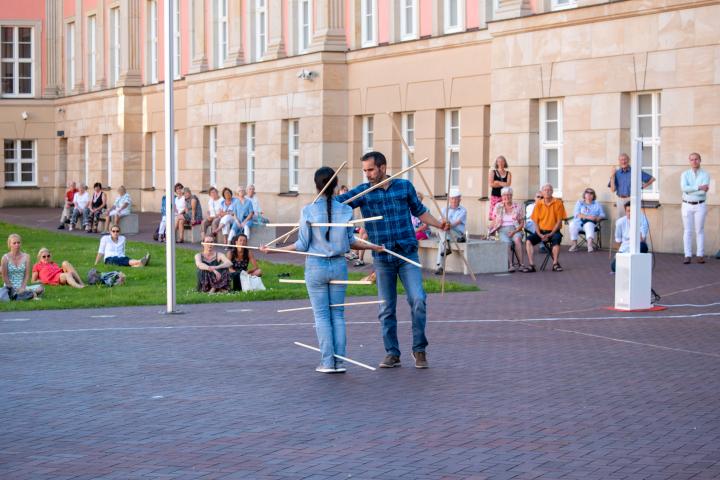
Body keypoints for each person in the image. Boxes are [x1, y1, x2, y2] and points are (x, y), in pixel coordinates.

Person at [263, 166, 382, 373]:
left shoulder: (308, 210)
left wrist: (273, 250)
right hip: (338, 266)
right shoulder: (345, 210)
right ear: (335, 185)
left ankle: (328, 362)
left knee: (322, 316)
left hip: (316, 267)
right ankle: (339, 363)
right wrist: (372, 246)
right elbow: (350, 241)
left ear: (317, 185)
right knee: (337, 315)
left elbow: (301, 245)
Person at [337, 151, 449, 369]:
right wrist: (322, 202)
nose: (367, 174)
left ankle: (419, 350)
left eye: (370, 169)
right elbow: (338, 204)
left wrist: (438, 224)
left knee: (418, 300)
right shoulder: (363, 191)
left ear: (382, 167)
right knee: (386, 308)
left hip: (407, 253)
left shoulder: (404, 186)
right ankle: (392, 353)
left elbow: (420, 211)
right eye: (365, 170)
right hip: (382, 256)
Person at [522, 183, 567, 273]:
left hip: (554, 231)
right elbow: (535, 221)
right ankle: (531, 265)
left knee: (556, 240)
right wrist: (539, 234)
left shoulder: (558, 203)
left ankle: (555, 264)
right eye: (545, 190)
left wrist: (551, 233)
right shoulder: (538, 204)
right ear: (542, 192)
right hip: (541, 232)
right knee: (528, 241)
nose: (547, 192)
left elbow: (559, 221)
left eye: (549, 190)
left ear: (552, 191)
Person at [680, 152, 710, 264]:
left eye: (696, 159)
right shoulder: (684, 174)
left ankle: (700, 255)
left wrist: (691, 190)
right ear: (689, 161)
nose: (694, 161)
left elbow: (703, 192)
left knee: (699, 230)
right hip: (686, 205)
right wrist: (698, 187)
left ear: (700, 160)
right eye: (692, 159)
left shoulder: (705, 174)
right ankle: (687, 255)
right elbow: (684, 188)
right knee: (687, 231)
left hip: (700, 205)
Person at [608, 153, 655, 218]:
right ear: (619, 161)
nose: (623, 162)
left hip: (631, 199)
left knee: (632, 219)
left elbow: (652, 179)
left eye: (625, 159)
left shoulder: (635, 171)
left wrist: (641, 187)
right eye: (621, 160)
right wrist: (612, 176)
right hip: (620, 199)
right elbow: (613, 190)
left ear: (628, 160)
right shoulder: (617, 173)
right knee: (621, 219)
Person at [490, 187, 525, 272]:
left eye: (509, 195)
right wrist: (490, 231)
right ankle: (510, 265)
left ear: (512, 196)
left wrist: (514, 231)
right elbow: (494, 220)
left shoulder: (518, 206)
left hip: (515, 229)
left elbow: (522, 223)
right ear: (502, 196)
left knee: (517, 240)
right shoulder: (498, 206)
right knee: (507, 243)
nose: (507, 197)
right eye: (505, 195)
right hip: (502, 230)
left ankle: (521, 264)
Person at [434, 189, 467, 275]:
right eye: (452, 198)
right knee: (442, 233)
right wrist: (444, 224)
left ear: (460, 199)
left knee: (442, 240)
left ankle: (439, 266)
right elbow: (440, 222)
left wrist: (448, 225)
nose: (454, 200)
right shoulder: (444, 209)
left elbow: (457, 222)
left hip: (457, 234)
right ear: (449, 199)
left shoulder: (463, 210)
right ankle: (446, 246)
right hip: (445, 232)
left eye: (456, 198)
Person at [1, 234, 44, 299]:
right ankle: (28, 295)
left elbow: (27, 275)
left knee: (41, 288)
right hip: (9, 287)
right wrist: (12, 288)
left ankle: (22, 295)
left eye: (18, 243)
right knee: (4, 294)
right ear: (10, 244)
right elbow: (5, 276)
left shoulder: (26, 257)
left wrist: (22, 288)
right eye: (14, 243)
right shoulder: (5, 258)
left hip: (22, 287)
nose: (17, 245)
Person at [611, 201, 649, 272]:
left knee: (643, 247)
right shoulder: (620, 222)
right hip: (625, 249)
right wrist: (618, 254)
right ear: (625, 212)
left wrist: (635, 222)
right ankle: (628, 264)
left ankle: (630, 264)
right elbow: (618, 240)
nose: (630, 213)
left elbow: (641, 239)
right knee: (614, 267)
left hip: (637, 246)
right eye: (628, 211)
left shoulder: (643, 219)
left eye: (632, 211)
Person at [568, 188, 605, 253]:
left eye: (591, 193)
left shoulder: (597, 204)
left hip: (590, 224)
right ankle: (574, 245)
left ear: (593, 195)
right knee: (572, 224)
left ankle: (589, 245)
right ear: (584, 194)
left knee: (589, 224)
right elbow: (576, 214)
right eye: (587, 192)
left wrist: (596, 218)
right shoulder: (580, 203)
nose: (589, 194)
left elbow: (602, 214)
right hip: (579, 223)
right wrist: (588, 217)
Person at [488, 155, 511, 221]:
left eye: (502, 161)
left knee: (504, 214)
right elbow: (491, 184)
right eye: (499, 161)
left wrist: (497, 182)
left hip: (505, 197)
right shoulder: (493, 172)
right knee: (494, 215)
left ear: (505, 163)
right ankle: (494, 229)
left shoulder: (508, 173)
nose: (500, 163)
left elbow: (508, 185)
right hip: (495, 196)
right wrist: (503, 184)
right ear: (497, 163)